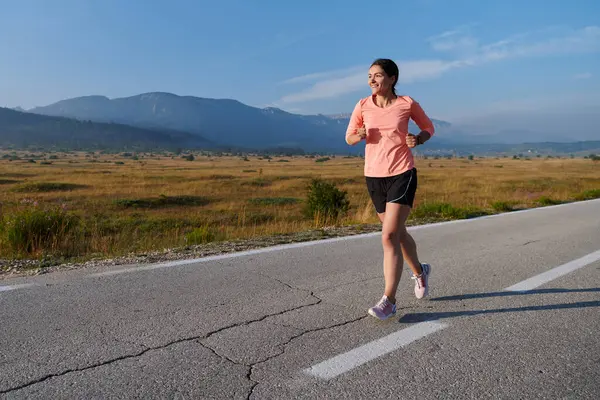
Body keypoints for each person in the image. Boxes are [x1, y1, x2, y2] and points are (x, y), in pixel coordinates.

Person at [345, 58, 435, 320]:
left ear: (393, 78)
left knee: (388, 236)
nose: (372, 80)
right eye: (369, 76)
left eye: (378, 75)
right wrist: (358, 136)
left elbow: (428, 127)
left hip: (402, 172)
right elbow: (348, 137)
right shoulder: (362, 105)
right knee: (396, 233)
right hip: (374, 176)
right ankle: (420, 271)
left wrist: (418, 138)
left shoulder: (406, 104)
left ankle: (389, 300)